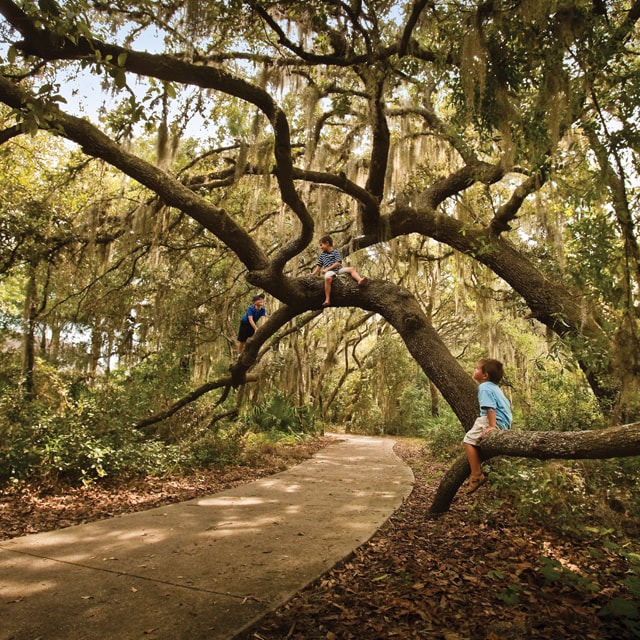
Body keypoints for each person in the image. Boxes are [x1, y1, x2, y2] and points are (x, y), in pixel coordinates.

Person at [463, 357, 512, 494]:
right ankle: (476, 471)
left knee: (468, 440)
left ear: (485, 375)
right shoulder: (495, 388)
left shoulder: (484, 387)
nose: (474, 369)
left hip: (493, 420)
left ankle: (477, 475)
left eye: (477, 368)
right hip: (504, 422)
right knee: (474, 440)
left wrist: (491, 425)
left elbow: (490, 408)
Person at [310, 235, 369, 306]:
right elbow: (319, 266)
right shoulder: (322, 255)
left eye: (321, 245)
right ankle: (327, 299)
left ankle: (360, 280)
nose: (320, 247)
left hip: (339, 270)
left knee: (352, 269)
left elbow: (338, 263)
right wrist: (313, 274)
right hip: (330, 272)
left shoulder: (336, 252)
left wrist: (327, 269)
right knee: (328, 278)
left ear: (327, 243)